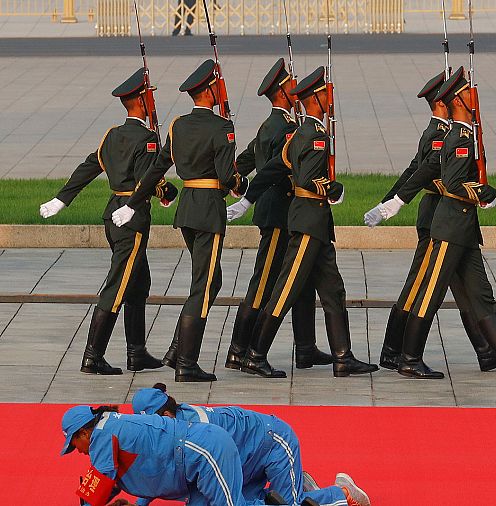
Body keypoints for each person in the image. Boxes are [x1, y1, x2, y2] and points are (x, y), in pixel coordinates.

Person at [397, 67, 496, 379]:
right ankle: (409, 358)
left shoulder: (466, 135)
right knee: (430, 294)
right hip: (450, 228)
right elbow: (452, 184)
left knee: (480, 294)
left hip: (463, 230)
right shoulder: (457, 139)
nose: (472, 94)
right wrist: (481, 192)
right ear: (458, 100)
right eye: (467, 91)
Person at [233, 66, 378, 378]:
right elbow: (308, 179)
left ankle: (343, 356)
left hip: (317, 224)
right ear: (314, 99)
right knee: (284, 290)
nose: (329, 97)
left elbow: (271, 167)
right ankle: (254, 354)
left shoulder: (301, 133)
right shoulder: (312, 136)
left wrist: (247, 199)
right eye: (325, 92)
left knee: (333, 290)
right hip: (307, 221)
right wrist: (332, 188)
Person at [112, 59, 249, 383]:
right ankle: (187, 363)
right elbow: (227, 175)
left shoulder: (178, 125)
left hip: (187, 210)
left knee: (211, 280)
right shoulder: (222, 127)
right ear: (211, 90)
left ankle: (177, 349)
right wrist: (241, 187)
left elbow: (156, 169)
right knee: (203, 287)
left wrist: (133, 202)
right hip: (208, 211)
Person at [362, 71, 496, 376]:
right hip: (442, 216)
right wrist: (391, 205)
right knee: (422, 287)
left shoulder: (440, 131)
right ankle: (395, 351)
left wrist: (388, 202)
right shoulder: (442, 135)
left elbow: (412, 171)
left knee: (466, 289)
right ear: (443, 101)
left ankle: (487, 350)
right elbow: (424, 173)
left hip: (450, 219)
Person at [39, 69, 176, 375]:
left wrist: (62, 199)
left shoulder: (113, 135)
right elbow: (145, 181)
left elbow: (90, 166)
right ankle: (93, 355)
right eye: (149, 95)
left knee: (139, 283)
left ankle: (136, 353)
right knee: (118, 285)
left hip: (112, 214)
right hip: (131, 217)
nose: (153, 99)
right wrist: (165, 190)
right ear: (141, 101)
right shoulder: (148, 139)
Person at [224, 59, 332, 373]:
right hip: (278, 213)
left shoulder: (270, 125)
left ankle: (306, 347)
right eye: (291, 85)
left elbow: (247, 158)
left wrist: (232, 180)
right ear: (283, 92)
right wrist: (245, 195)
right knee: (264, 283)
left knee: (300, 283)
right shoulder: (286, 128)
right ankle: (239, 350)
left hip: (281, 214)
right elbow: (278, 168)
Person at [131, 384, 370, 506]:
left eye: (151, 422)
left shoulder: (195, 429)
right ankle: (303, 487)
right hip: (240, 465)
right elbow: (158, 473)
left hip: (273, 443)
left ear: (167, 415)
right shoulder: (165, 431)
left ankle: (342, 494)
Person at [62, 405, 266, 505]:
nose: (78, 451)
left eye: (75, 444)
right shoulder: (110, 426)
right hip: (194, 461)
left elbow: (102, 478)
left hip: (205, 451)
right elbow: (112, 483)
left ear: (84, 432)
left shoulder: (101, 434)